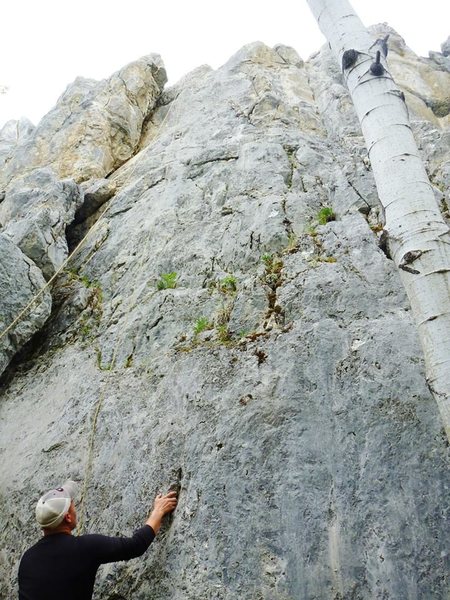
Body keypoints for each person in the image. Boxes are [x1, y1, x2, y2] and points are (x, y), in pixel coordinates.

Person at [18, 479, 177, 600]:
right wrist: (158, 511)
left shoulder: (27, 559)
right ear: (67, 517)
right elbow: (135, 546)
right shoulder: (85, 548)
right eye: (72, 504)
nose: (75, 507)